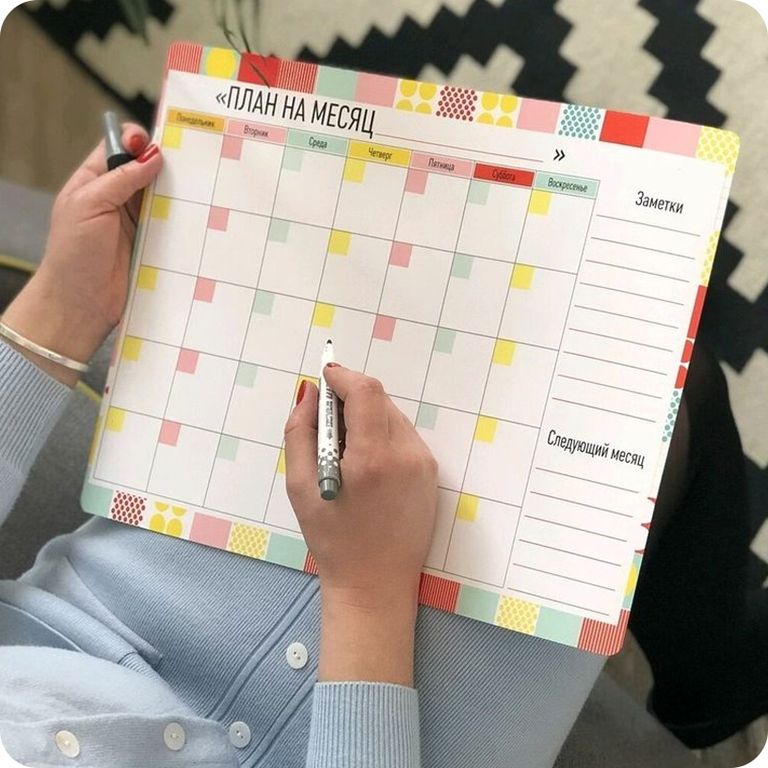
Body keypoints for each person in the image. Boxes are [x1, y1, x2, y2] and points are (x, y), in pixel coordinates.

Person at [0, 123, 764, 767]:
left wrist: (64, 305)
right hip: (393, 722)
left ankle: (711, 687)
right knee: (655, 385)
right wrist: (368, 589)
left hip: (154, 563)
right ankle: (714, 701)